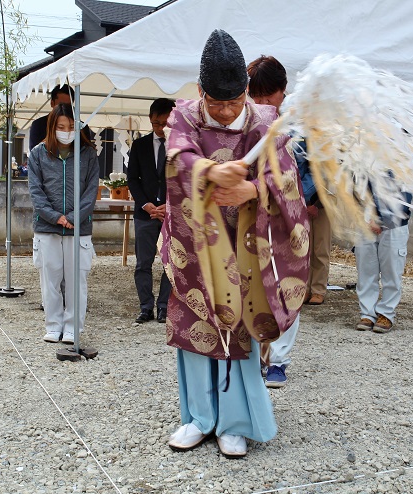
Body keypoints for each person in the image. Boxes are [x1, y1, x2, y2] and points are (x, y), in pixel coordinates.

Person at [161, 30, 309, 458]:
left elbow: (286, 181)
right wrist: (207, 169)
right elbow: (178, 156)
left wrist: (254, 191)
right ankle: (198, 418)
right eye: (216, 102)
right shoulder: (184, 116)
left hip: (246, 245)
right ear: (200, 91)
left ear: (246, 91)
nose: (226, 113)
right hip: (196, 245)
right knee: (196, 327)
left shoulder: (265, 123)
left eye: (234, 101)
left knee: (238, 331)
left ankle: (234, 423)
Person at [246, 54, 306, 389]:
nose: (264, 102)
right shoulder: (245, 123)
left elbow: (311, 169)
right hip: (251, 216)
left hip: (288, 218)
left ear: (283, 92)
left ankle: (279, 360)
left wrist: (300, 200)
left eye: (270, 95)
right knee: (252, 288)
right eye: (257, 95)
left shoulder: (295, 125)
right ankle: (254, 355)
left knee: (287, 286)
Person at [28, 103, 100, 344]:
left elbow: (91, 191)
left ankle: (72, 327)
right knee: (50, 280)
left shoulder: (88, 153)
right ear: (52, 127)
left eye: (71, 127)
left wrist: (72, 217)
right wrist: (54, 216)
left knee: (76, 280)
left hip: (78, 228)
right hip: (47, 228)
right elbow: (35, 192)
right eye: (61, 127)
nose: (66, 131)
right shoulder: (38, 153)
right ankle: (53, 324)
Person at [127, 98, 176, 324]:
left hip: (171, 214)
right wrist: (145, 204)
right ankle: (145, 306)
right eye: (157, 124)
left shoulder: (181, 147)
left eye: (166, 124)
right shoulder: (139, 145)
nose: (161, 128)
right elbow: (132, 179)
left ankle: (165, 306)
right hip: (145, 212)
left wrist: (171, 204)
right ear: (150, 120)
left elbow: (185, 180)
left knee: (171, 262)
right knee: (143, 263)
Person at [354, 191, 411, 334]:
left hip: (394, 224)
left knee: (391, 271)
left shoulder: (403, 169)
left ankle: (386, 313)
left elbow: (404, 197)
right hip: (364, 221)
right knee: (365, 270)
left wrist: (381, 219)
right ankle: (367, 314)